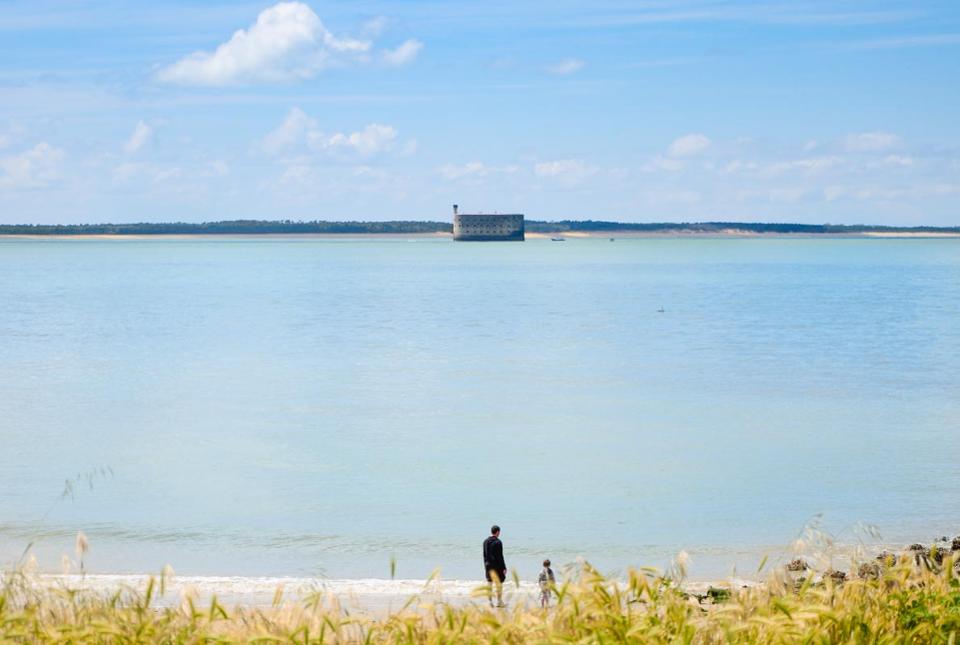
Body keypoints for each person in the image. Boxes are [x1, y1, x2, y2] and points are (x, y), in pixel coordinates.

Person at [482, 525, 507, 607]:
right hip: (497, 566)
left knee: (489, 584)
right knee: (499, 584)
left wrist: (486, 565)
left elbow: (484, 555)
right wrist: (504, 567)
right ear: (497, 532)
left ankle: (489, 602)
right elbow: (500, 556)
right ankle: (499, 601)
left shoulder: (485, 541)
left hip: (488, 566)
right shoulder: (498, 542)